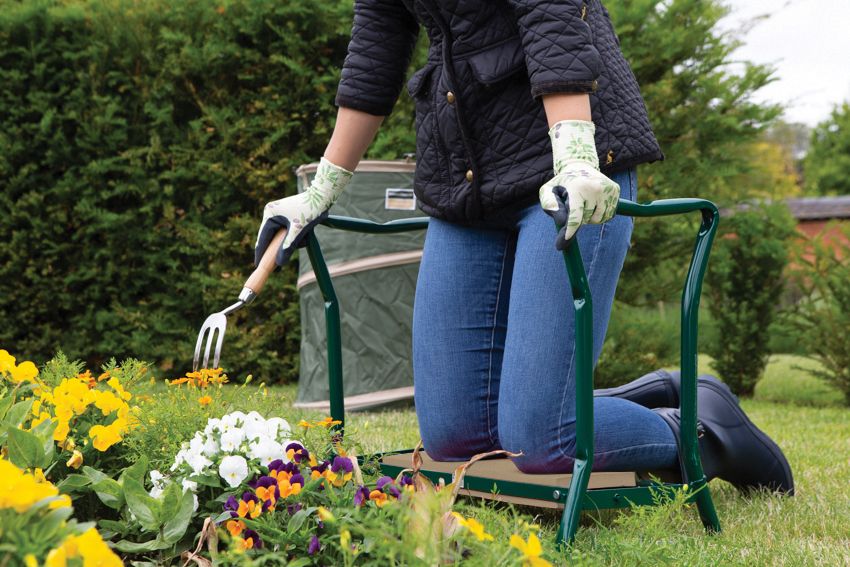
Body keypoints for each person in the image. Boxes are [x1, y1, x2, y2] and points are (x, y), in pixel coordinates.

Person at [254, 0, 793, 494]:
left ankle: (706, 431)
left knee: (541, 440)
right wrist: (321, 191)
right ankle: (645, 393)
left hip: (566, 171)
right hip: (465, 178)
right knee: (456, 438)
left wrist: (577, 158)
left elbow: (552, 20)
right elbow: (374, 55)